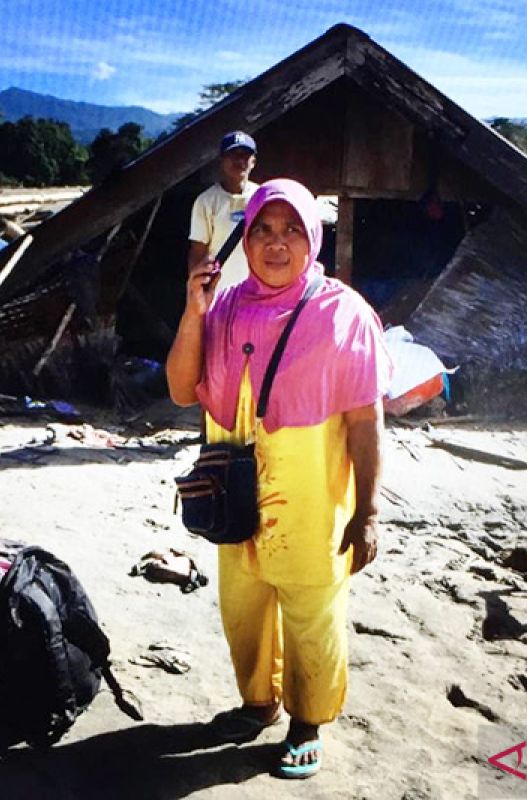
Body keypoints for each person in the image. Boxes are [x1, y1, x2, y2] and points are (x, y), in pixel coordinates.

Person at [166, 178, 391, 779]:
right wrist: (194, 314)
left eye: (292, 229)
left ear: (313, 238)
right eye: (263, 228)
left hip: (311, 494)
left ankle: (307, 721)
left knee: (312, 609)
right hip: (235, 487)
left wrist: (367, 511)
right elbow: (181, 388)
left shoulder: (344, 314)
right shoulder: (227, 302)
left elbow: (367, 423)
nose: (275, 242)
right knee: (243, 606)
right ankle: (258, 704)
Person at [187, 131, 259, 293]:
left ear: (253, 161)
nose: (239, 160)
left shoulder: (263, 197)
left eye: (245, 155)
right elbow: (198, 252)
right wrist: (197, 293)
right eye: (233, 154)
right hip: (219, 294)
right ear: (222, 160)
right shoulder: (206, 201)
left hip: (255, 294)